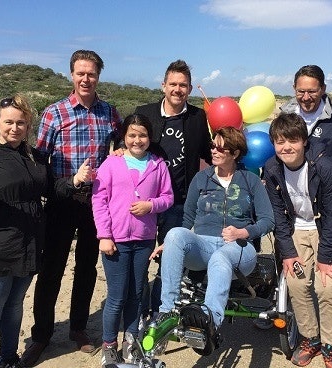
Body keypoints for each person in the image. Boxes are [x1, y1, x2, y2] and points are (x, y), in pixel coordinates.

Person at [0, 94, 87, 368]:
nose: (14, 128)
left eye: (21, 123)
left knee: (14, 306)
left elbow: (51, 188)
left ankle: (9, 357)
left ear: (29, 126)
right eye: (9, 122)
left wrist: (74, 181)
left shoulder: (34, 155)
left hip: (29, 245)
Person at [21, 50, 122, 367]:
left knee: (86, 268)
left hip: (96, 203)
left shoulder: (109, 113)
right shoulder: (55, 113)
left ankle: (78, 328)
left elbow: (120, 150)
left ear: (98, 76)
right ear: (71, 75)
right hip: (62, 200)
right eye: (80, 73)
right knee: (51, 270)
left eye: (91, 73)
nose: (86, 79)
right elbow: (39, 161)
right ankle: (41, 336)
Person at [152, 126, 275, 355]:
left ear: (235, 153)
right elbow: (187, 217)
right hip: (204, 245)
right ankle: (167, 310)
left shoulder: (250, 180)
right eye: (212, 146)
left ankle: (210, 321)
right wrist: (170, 243)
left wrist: (243, 232)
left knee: (221, 256)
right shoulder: (202, 178)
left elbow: (268, 221)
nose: (214, 151)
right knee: (174, 234)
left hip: (240, 248)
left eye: (220, 147)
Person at [264, 112, 332, 368]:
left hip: (325, 229)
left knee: (327, 286)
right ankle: (310, 338)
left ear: (304, 141)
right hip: (296, 230)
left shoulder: (325, 167)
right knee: (297, 284)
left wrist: (325, 258)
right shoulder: (271, 168)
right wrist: (288, 252)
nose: (286, 147)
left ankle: (331, 345)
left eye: (292, 140)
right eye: (280, 142)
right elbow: (278, 215)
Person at [92, 114, 174, 366]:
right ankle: (109, 344)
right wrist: (104, 235)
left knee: (137, 294)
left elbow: (168, 197)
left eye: (142, 135)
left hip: (144, 239)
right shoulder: (111, 164)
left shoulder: (158, 165)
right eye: (132, 135)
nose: (137, 140)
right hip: (115, 240)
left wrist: (151, 205)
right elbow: (99, 200)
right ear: (124, 138)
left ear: (149, 138)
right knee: (116, 296)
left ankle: (131, 339)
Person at [134, 59, 212, 321]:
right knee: (140, 259)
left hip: (179, 202)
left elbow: (209, 153)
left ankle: (158, 312)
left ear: (189, 89)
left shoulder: (198, 117)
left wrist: (242, 169)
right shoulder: (145, 113)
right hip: (144, 203)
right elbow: (126, 146)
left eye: (183, 85)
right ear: (163, 86)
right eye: (173, 84)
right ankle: (137, 313)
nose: (177, 89)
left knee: (167, 260)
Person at [279, 64, 332, 268]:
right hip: (293, 202)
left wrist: (323, 167)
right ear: (294, 88)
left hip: (327, 200)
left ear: (322, 89)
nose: (306, 97)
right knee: (294, 268)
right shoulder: (285, 117)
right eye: (301, 91)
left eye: (312, 91)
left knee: (330, 266)